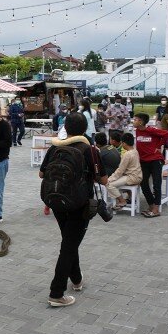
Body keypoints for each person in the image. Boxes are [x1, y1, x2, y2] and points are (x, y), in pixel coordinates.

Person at [38, 112, 107, 307]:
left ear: (65, 128)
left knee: (69, 241)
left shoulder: (55, 147)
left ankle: (76, 279)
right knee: (69, 245)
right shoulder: (89, 149)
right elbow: (103, 179)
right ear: (85, 129)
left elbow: (42, 173)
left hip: (57, 201)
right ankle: (56, 293)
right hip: (80, 204)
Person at [132, 113, 168, 218]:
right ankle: (151, 205)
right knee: (143, 183)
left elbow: (167, 134)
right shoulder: (137, 130)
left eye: (135, 119)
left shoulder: (151, 130)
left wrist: (158, 146)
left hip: (155, 160)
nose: (133, 121)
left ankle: (156, 209)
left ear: (141, 122)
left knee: (156, 184)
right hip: (143, 161)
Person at [106, 133, 143, 210]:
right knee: (115, 181)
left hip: (131, 177)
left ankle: (122, 201)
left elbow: (120, 170)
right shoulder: (135, 151)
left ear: (124, 143)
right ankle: (125, 198)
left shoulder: (127, 154)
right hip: (137, 176)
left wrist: (110, 179)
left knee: (109, 184)